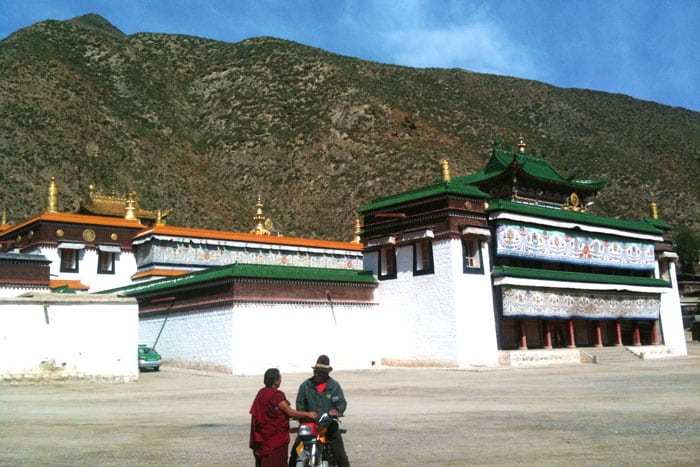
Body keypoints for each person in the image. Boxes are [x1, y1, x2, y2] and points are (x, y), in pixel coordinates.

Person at [288, 355, 349, 467]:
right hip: (309, 427)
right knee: (295, 454)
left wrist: (336, 410)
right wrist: (304, 415)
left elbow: (342, 402)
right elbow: (300, 404)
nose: (317, 374)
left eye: (320, 372)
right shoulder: (305, 386)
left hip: (328, 427)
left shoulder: (334, 386)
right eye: (316, 371)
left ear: (327, 373)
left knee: (340, 455)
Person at [250, 368, 317, 467]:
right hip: (275, 440)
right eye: (280, 377)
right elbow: (289, 412)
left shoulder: (261, 393)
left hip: (263, 439)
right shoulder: (277, 395)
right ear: (276, 380)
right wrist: (308, 414)